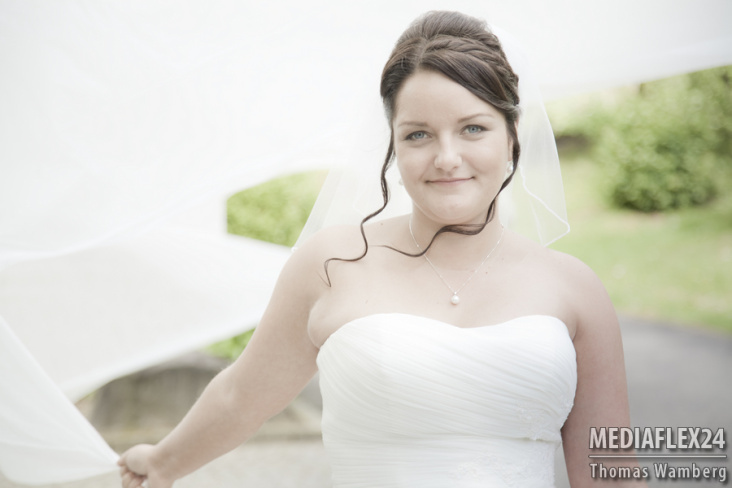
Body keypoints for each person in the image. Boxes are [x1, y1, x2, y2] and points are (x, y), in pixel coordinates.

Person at [119, 11, 644, 487]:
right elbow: (241, 395)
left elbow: (613, 474)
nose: (446, 157)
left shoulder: (573, 288)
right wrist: (162, 463)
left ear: (511, 136)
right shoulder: (332, 264)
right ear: (392, 143)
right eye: (418, 135)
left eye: (473, 129)